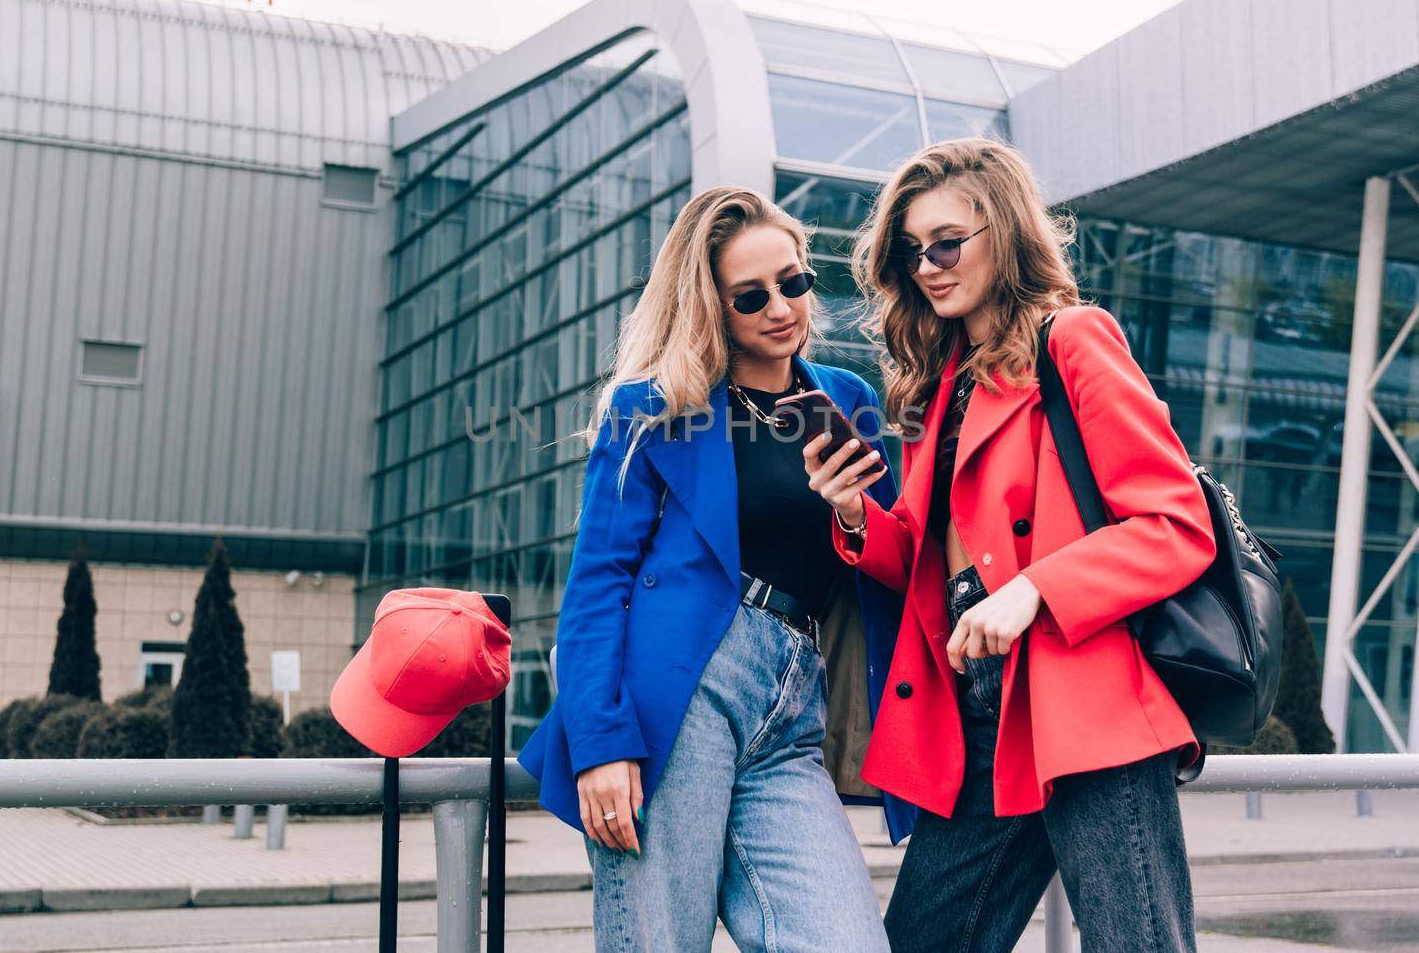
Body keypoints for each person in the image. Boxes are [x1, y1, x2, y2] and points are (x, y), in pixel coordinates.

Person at [803, 137, 1215, 953]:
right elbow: (924, 560)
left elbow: (1175, 523)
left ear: (1006, 231)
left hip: (1078, 696)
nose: (928, 265)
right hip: (976, 710)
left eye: (948, 242)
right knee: (924, 939)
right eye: (911, 250)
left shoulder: (1074, 341)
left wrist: (1034, 591)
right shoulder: (936, 380)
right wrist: (852, 513)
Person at [518, 185, 915, 951]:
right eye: (750, 295)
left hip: (797, 708)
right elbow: (599, 581)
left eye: (794, 282)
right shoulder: (658, 407)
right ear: (709, 305)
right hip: (680, 693)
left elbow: (895, 565)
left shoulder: (846, 400)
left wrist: (855, 515)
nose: (781, 307)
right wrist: (600, 741)